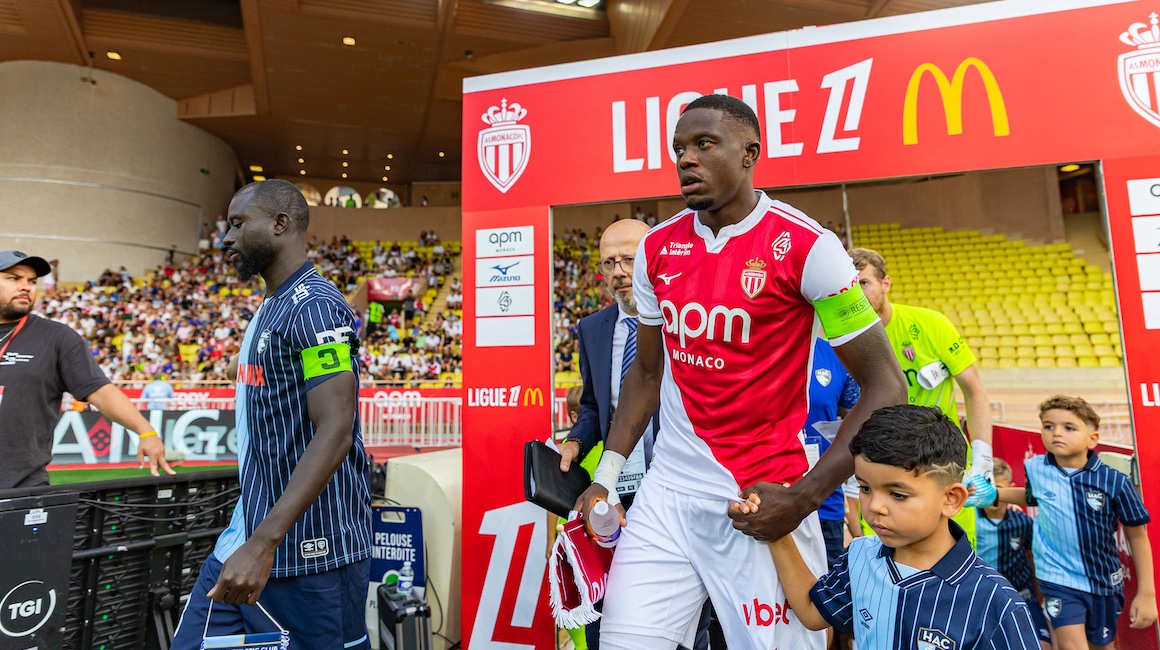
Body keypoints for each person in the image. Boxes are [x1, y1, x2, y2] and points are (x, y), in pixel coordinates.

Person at [573, 94, 907, 649]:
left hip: (762, 499)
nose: (686, 159)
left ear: (750, 152)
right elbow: (647, 375)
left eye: (704, 144)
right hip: (667, 495)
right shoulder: (657, 248)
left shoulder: (810, 247)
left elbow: (887, 386)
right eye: (679, 148)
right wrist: (606, 476)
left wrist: (803, 498)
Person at [170, 179, 372, 649]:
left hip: (308, 553)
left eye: (238, 224)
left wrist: (263, 543)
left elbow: (336, 429)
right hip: (245, 539)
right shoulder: (273, 306)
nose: (226, 238)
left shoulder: (316, 308)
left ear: (280, 224)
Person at [764, 405, 1043, 649]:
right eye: (865, 488)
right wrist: (776, 532)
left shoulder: (996, 601)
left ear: (951, 499)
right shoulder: (859, 556)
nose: (875, 506)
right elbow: (813, 612)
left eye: (897, 494)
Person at [558, 218, 711, 650]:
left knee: (688, 616)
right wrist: (576, 440)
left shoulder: (688, 319)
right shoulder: (592, 328)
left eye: (629, 259)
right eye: (609, 263)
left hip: (679, 484)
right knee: (611, 603)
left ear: (653, 260)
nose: (620, 272)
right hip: (616, 489)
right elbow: (594, 404)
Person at [848, 248, 995, 546]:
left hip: (941, 462)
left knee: (954, 557)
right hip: (882, 466)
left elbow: (974, 389)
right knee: (888, 559)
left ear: (885, 283)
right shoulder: (842, 338)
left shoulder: (931, 324)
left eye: (864, 282)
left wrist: (983, 460)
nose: (857, 293)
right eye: (850, 285)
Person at [0, 250, 174, 489]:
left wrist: (145, 432)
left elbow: (100, 391)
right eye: (14, 278)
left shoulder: (56, 337)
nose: (26, 287)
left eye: (31, 281)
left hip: (21, 487)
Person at [995, 396, 1156, 650]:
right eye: (1048, 426)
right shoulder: (1035, 468)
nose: (1057, 433)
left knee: (1102, 646)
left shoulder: (1115, 482)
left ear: (1092, 439)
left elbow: (1138, 536)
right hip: (1056, 578)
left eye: (1069, 427)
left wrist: (1147, 593)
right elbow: (1032, 496)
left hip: (1101, 582)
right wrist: (994, 494)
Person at [977, 458, 1052, 649]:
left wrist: (1038, 597)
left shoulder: (1023, 522)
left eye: (998, 489)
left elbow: (1032, 559)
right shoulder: (969, 520)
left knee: (1043, 645)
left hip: (1022, 597)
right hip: (982, 599)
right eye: (987, 488)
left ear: (1010, 489)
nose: (992, 496)